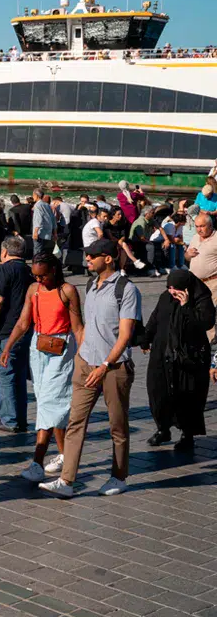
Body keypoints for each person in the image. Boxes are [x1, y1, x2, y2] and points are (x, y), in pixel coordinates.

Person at [40, 239, 141, 498]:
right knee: (75, 421)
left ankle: (118, 477)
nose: (87, 260)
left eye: (92, 256)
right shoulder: (91, 285)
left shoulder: (126, 289)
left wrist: (105, 364)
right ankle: (67, 481)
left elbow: (125, 335)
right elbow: (84, 326)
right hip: (85, 365)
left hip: (114, 368)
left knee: (117, 425)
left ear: (108, 258)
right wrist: (80, 355)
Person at [0, 255, 83, 482]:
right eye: (36, 275)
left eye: (43, 275)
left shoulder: (67, 291)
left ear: (54, 270)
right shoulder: (33, 289)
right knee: (49, 402)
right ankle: (66, 454)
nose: (39, 279)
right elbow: (23, 322)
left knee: (48, 402)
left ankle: (37, 462)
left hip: (62, 348)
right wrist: (7, 348)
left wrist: (84, 357)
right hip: (39, 347)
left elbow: (78, 327)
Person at [141, 270, 215, 452]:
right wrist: (146, 338)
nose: (172, 291)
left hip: (188, 357)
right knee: (158, 391)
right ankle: (163, 428)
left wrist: (186, 306)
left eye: (176, 288)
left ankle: (187, 435)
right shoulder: (165, 297)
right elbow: (155, 318)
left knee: (187, 396)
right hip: (162, 353)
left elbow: (205, 323)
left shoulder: (201, 299)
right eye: (169, 287)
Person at [0, 236, 34, 434]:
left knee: (4, 375)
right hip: (25, 329)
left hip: (6, 330)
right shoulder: (28, 270)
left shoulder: (5, 269)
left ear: (4, 252)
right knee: (19, 375)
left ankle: (9, 420)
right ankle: (18, 417)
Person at [185, 212, 217, 341]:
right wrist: (188, 254)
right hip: (195, 282)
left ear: (210, 225)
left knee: (210, 310)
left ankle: (211, 339)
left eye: (202, 226)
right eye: (197, 226)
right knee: (196, 309)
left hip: (213, 281)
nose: (199, 229)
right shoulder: (194, 238)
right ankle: (203, 337)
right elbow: (186, 258)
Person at [33, 187, 57, 259]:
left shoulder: (37, 205)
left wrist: (36, 231)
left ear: (36, 195)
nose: (32, 197)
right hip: (47, 232)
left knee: (37, 252)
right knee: (42, 251)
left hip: (40, 232)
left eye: (33, 195)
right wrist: (55, 233)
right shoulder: (47, 205)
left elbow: (38, 219)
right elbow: (53, 219)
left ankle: (37, 266)